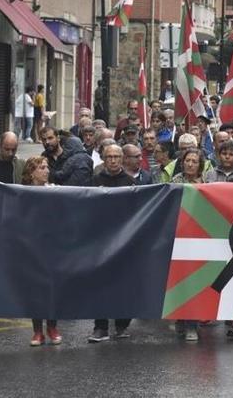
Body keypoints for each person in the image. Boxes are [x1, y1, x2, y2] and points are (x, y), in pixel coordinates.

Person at [87, 144, 135, 343]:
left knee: (125, 284)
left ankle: (122, 324)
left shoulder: (131, 182)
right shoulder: (95, 181)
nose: (113, 160)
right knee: (101, 285)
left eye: (116, 156)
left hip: (125, 241)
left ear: (122, 158)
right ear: (104, 160)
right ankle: (100, 326)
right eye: (109, 157)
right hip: (101, 242)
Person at [20, 157, 62, 346]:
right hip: (30, 249)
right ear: (31, 172)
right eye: (42, 168)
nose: (46, 171)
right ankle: (37, 331)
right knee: (34, 290)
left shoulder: (55, 190)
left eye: (47, 167)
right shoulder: (21, 193)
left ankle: (52, 328)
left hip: (53, 247)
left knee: (53, 288)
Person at [171, 148, 207, 341]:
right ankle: (180, 317)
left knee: (195, 282)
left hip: (200, 239)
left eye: (194, 161)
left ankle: (192, 324)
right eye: (187, 160)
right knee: (180, 280)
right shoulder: (175, 182)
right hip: (179, 237)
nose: (190, 164)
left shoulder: (208, 184)